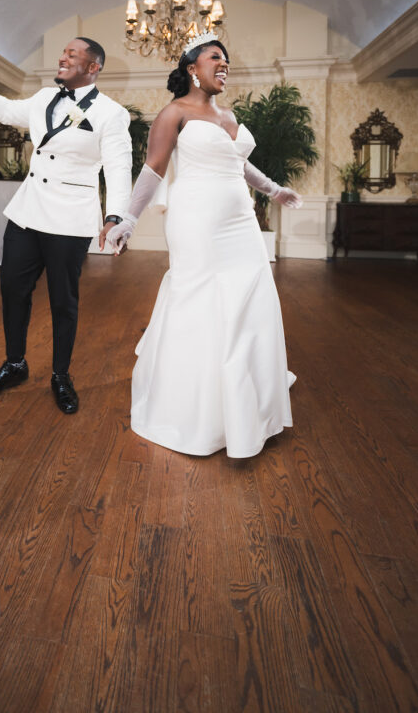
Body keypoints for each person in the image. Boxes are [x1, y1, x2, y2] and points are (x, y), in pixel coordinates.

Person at [107, 33, 302, 459]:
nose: (224, 63)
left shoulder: (228, 115)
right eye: (216, 57)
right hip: (197, 220)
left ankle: (245, 401)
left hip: (241, 223)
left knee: (251, 299)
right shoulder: (174, 112)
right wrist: (129, 219)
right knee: (201, 299)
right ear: (193, 68)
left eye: (227, 58)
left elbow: (239, 162)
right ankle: (194, 409)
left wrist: (274, 190)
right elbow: (154, 169)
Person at [0, 38, 132, 414]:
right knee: (12, 290)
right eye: (63, 53)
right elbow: (7, 110)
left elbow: (118, 166)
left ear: (93, 67)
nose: (62, 58)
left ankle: (61, 375)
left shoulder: (112, 113)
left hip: (69, 218)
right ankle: (15, 364)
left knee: (63, 302)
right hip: (28, 213)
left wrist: (115, 216)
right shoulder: (45, 97)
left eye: (72, 55)